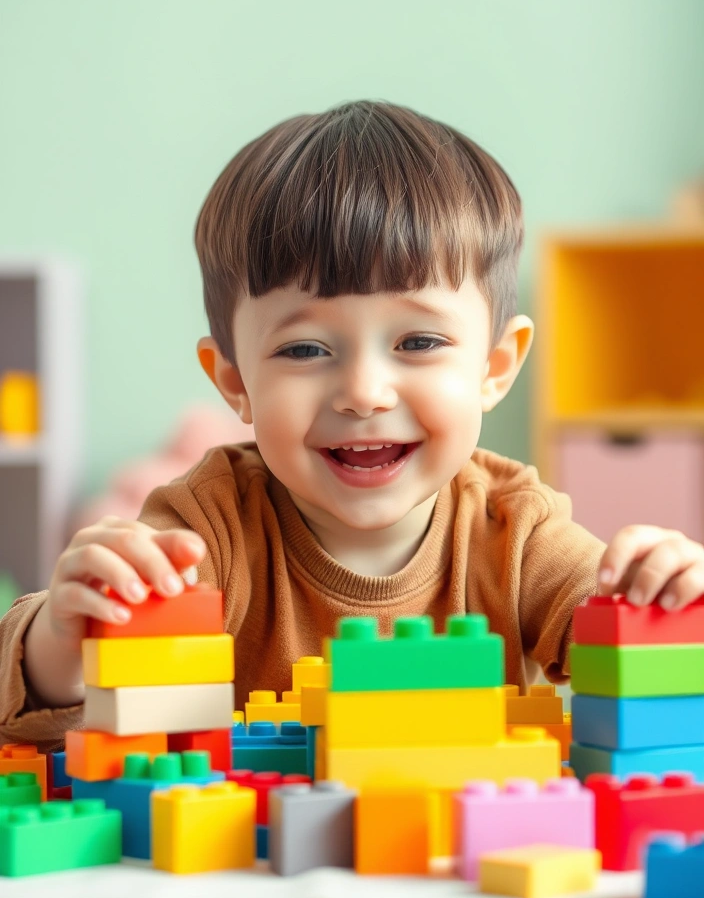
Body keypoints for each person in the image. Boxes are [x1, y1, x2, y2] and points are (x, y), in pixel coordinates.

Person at [2, 101, 703, 753]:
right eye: (306, 350)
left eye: (419, 343)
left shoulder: (515, 529)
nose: (364, 393)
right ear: (235, 381)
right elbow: (48, 692)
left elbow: (621, 640)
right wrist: (63, 639)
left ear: (494, 366)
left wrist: (656, 594)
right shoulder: (205, 528)